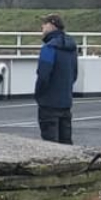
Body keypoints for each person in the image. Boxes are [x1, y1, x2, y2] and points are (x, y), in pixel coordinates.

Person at [34, 14, 79, 143]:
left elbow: (43, 75)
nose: (42, 26)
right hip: (65, 102)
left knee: (50, 143)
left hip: (48, 103)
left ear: (52, 25)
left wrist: (39, 95)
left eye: (44, 23)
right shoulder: (71, 48)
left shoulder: (49, 48)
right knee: (66, 142)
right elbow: (74, 74)